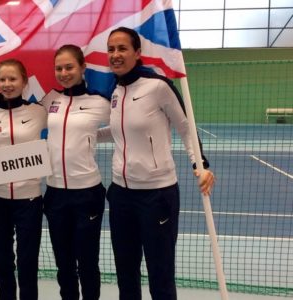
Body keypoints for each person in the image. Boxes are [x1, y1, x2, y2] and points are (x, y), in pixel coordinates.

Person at [104, 27, 215, 300]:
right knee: (125, 274)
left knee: (160, 275)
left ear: (137, 53)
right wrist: (81, 133)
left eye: (122, 49)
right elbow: (119, 130)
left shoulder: (158, 86)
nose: (115, 55)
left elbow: (186, 127)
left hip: (157, 196)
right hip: (120, 195)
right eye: (111, 50)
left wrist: (199, 164)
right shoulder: (116, 90)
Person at [40, 45, 110, 300]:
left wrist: (94, 136)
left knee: (87, 263)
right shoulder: (50, 100)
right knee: (64, 264)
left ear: (82, 68)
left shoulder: (99, 102)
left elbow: (124, 125)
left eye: (69, 67)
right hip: (55, 194)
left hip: (87, 194)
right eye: (59, 68)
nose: (63, 72)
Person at [0, 58, 47, 300]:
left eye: (13, 79)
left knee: (28, 261)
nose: (7, 84)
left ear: (24, 82)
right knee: (1, 259)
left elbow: (66, 125)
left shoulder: (38, 111)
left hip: (29, 200)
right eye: (2, 79)